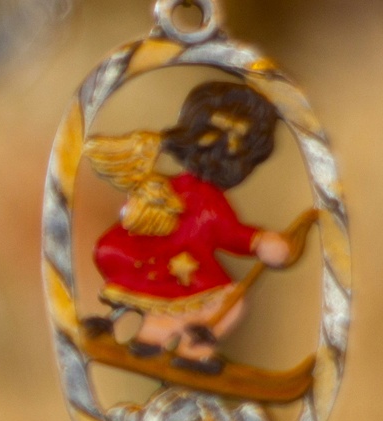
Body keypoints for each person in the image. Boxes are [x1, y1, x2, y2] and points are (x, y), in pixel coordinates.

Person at [86, 81, 298, 375]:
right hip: (183, 273)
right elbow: (230, 234)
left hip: (156, 268)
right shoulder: (206, 200)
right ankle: (191, 348)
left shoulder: (178, 189)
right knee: (229, 300)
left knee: (180, 304)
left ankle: (153, 335)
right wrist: (262, 242)